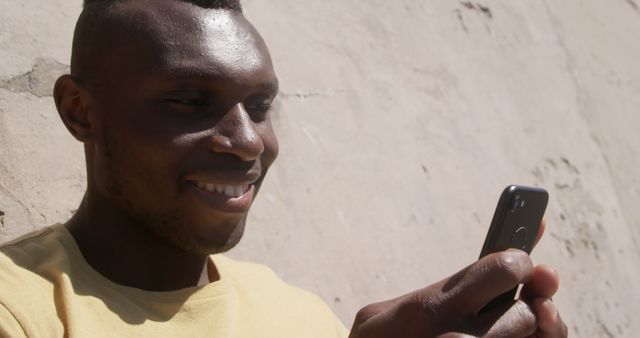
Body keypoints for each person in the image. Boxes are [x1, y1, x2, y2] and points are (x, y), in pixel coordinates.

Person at [0, 0, 568, 337]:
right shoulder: (20, 309)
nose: (248, 142)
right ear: (80, 111)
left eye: (260, 106)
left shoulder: (299, 313)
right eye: (190, 101)